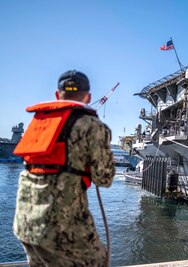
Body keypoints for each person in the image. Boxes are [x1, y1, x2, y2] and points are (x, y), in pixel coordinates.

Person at [13, 70, 116, 267]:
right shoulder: (92, 125)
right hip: (62, 227)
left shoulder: (40, 122)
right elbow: (105, 179)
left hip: (25, 225)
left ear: (57, 95)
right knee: (98, 260)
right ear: (89, 97)